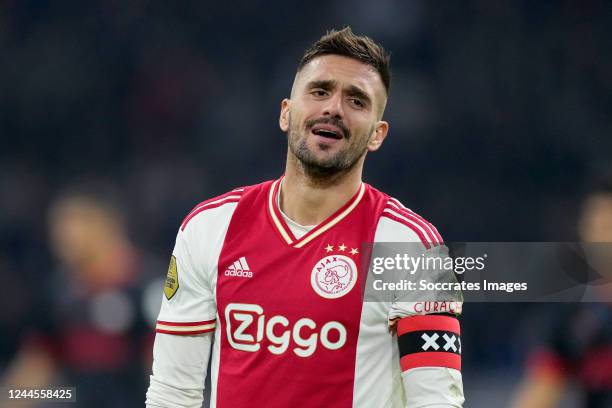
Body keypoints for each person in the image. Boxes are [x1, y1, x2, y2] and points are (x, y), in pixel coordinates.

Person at [146, 27, 464, 408]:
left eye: (357, 101)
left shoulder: (409, 246)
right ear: (286, 112)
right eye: (319, 91)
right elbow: (172, 394)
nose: (334, 108)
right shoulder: (210, 227)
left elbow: (436, 403)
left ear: (377, 135)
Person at [2, 188, 159, 408]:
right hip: (75, 398)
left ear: (104, 225)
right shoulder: (58, 292)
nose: (63, 235)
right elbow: (37, 365)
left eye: (73, 224)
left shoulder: (146, 287)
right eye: (58, 226)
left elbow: (163, 369)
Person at [511, 173, 612, 408]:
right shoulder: (571, 315)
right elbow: (539, 391)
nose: (602, 239)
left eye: (609, 227)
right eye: (595, 226)